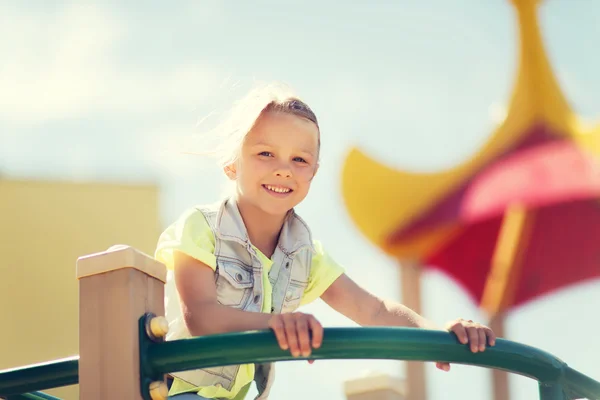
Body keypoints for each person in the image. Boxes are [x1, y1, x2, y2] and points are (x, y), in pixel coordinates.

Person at [154, 83, 496, 400]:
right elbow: (201, 316)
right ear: (232, 164)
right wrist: (278, 323)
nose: (284, 169)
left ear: (313, 172)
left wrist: (436, 331)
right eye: (265, 154)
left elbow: (372, 309)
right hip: (176, 392)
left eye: (299, 160)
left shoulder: (304, 255)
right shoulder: (201, 227)